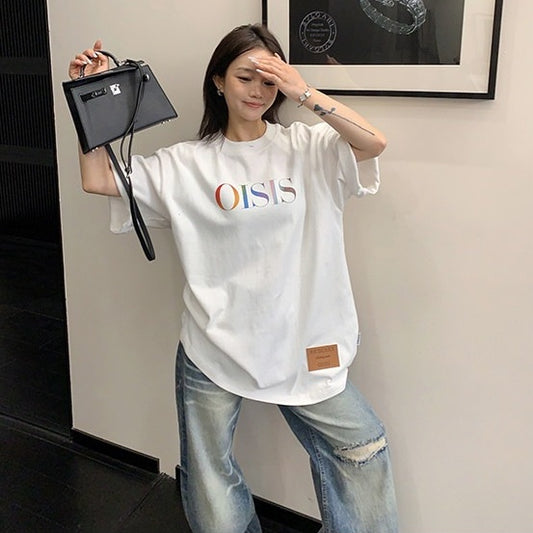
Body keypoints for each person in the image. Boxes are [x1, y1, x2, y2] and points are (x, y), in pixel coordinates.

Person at [68, 23, 398, 533]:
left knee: (363, 449)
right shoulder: (187, 164)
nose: (258, 91)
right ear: (218, 81)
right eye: (246, 77)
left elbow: (373, 143)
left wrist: (303, 91)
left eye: (269, 80)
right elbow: (98, 179)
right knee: (209, 478)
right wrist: (90, 95)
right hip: (214, 345)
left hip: (305, 340)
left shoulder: (308, 147)